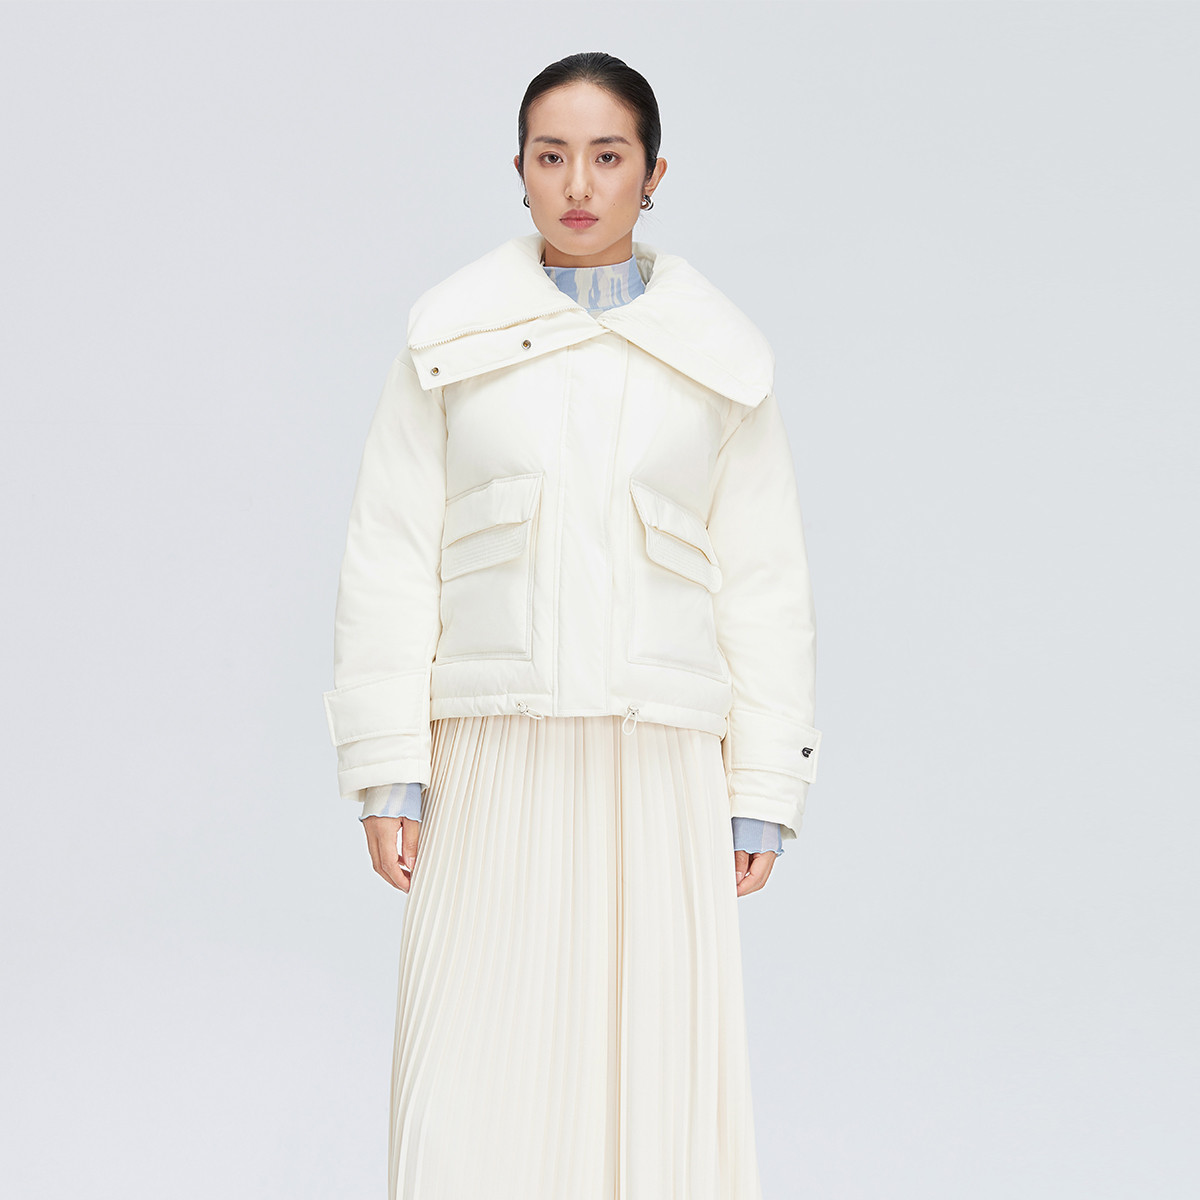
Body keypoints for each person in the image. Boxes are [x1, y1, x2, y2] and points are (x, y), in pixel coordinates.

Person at [321, 51, 821, 1200]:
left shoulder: (720, 361)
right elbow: (390, 553)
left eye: (608, 156)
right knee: (468, 1073)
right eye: (553, 156)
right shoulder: (449, 341)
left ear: (654, 174)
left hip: (662, 759)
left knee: (651, 1079)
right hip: (490, 749)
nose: (580, 184)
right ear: (519, 170)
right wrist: (388, 768)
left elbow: (764, 582)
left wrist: (764, 783)